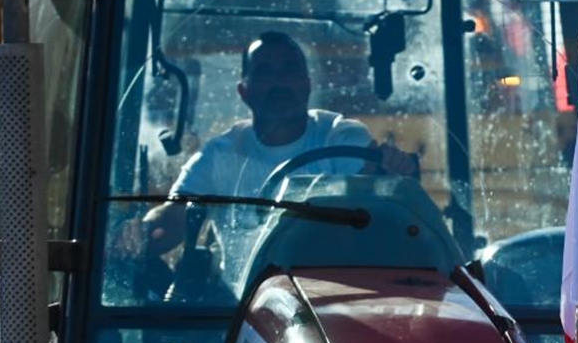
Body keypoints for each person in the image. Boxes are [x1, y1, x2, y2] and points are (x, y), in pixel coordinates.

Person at [121, 31, 417, 262]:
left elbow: (372, 197)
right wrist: (140, 234)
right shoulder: (220, 154)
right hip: (239, 310)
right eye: (264, 72)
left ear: (306, 83)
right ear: (244, 91)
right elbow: (176, 214)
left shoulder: (341, 137)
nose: (279, 82)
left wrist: (388, 175)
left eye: (290, 70)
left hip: (333, 298)